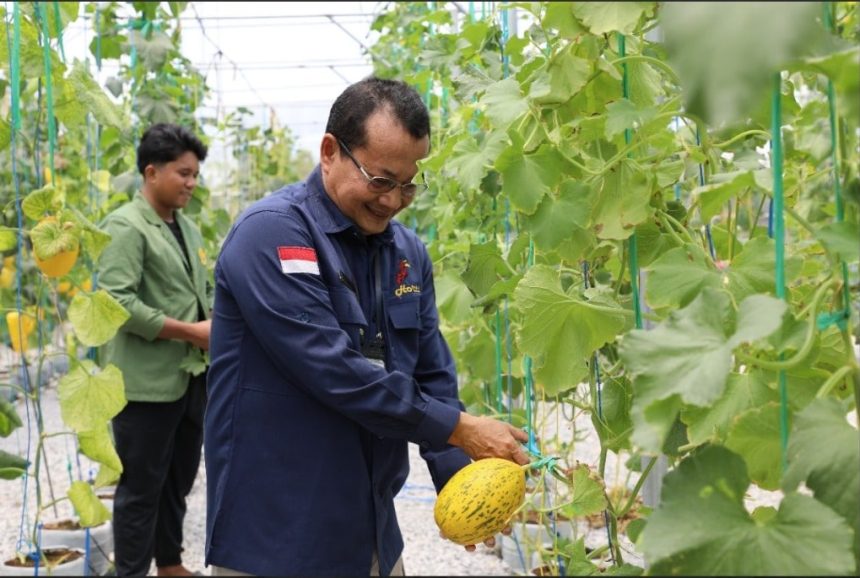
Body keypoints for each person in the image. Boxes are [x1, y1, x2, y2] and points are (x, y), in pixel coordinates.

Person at [204, 76, 530, 577]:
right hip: (278, 532)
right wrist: (463, 430)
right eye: (381, 180)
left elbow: (430, 371)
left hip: (371, 526)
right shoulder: (272, 234)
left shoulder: (406, 252)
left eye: (409, 184)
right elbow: (332, 368)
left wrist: (459, 477)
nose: (393, 200)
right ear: (330, 151)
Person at [97, 123, 213, 577]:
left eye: (195, 174)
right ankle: (131, 572)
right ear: (151, 172)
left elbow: (199, 290)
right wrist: (191, 331)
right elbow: (116, 303)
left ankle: (169, 564)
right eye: (183, 173)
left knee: (177, 482)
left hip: (188, 377)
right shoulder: (126, 227)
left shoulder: (187, 228)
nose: (191, 182)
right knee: (140, 488)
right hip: (145, 386)